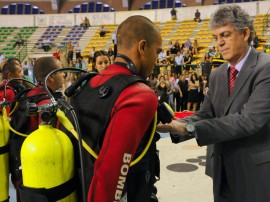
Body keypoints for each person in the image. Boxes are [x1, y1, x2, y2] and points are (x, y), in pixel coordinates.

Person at [157, 5, 270, 202]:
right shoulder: (217, 75)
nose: (220, 43)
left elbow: (248, 120)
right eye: (216, 38)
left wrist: (188, 128)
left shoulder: (265, 68)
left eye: (225, 35)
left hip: (255, 172)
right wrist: (172, 126)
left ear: (245, 33)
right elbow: (206, 114)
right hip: (220, 169)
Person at [68, 15, 162, 202]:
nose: (156, 60)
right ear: (142, 47)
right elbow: (110, 174)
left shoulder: (87, 83)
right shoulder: (139, 94)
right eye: (157, 52)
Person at [9, 56, 65, 202]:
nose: (64, 74)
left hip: (20, 165)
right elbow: (52, 142)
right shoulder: (46, 102)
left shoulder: (29, 94)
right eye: (60, 71)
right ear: (51, 77)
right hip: (39, 171)